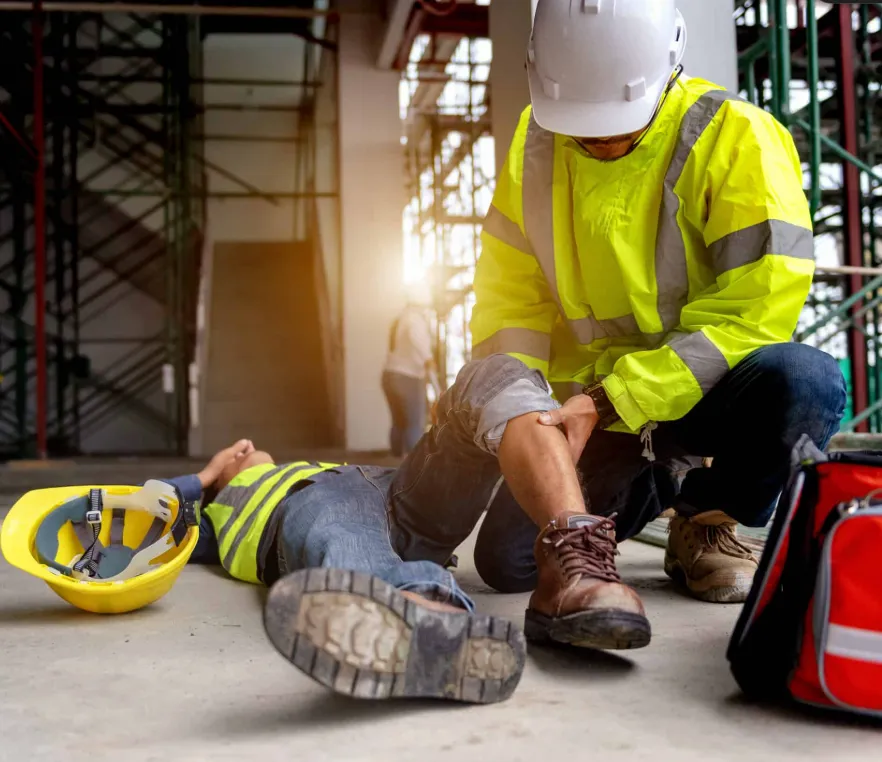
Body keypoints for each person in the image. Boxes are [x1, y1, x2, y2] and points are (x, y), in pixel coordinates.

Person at [376, 0, 846, 648]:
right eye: (583, 127)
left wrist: (615, 397)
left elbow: (756, 309)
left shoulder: (735, 138)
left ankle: (707, 518)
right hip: (585, 413)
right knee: (509, 564)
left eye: (618, 127)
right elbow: (511, 301)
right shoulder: (533, 150)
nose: (598, 141)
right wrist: (527, 417)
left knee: (807, 381)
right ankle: (656, 481)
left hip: (694, 395)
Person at [165, 440, 526, 704]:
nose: (245, 447)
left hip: (387, 491)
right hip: (319, 508)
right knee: (340, 529)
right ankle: (429, 615)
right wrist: (201, 477)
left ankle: (421, 620)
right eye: (234, 452)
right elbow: (135, 516)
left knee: (466, 418)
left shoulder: (304, 466)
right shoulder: (212, 516)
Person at [382, 282, 440, 456]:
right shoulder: (415, 319)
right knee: (414, 423)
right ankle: (415, 467)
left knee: (398, 422)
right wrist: (429, 359)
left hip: (390, 375)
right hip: (408, 377)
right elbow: (419, 343)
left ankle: (393, 462)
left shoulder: (401, 317)